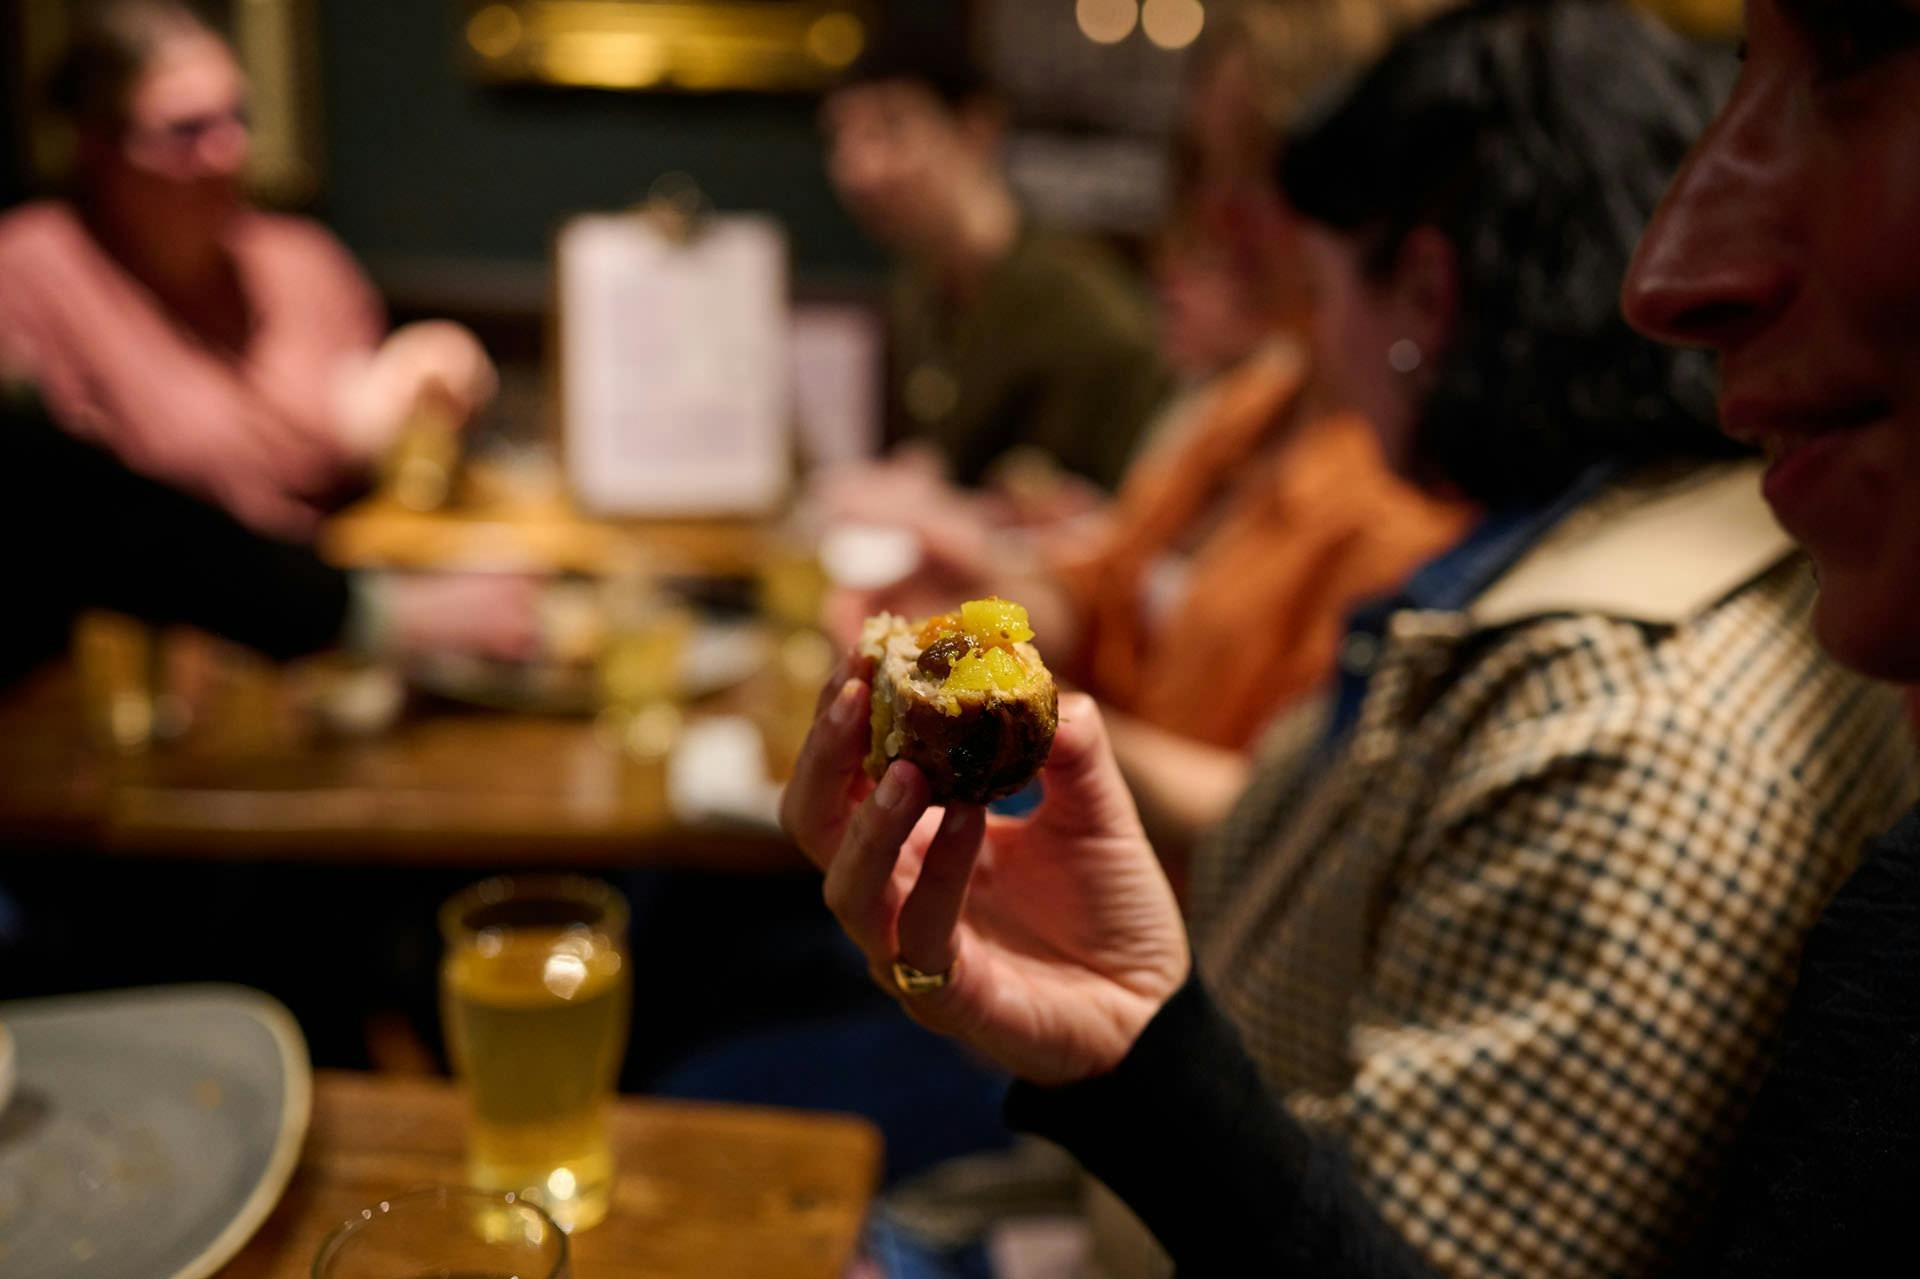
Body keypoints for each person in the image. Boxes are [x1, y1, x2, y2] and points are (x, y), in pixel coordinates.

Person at [781, 4, 1920, 1277]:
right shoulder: (1542, 562)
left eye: (1854, 65)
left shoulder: (1634, 705)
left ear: (1425, 291)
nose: (1670, 278)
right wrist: (1138, 1050)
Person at [0, 0, 495, 539]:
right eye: (187, 130)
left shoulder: (303, 258)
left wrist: (424, 382)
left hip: (331, 588)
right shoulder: (29, 271)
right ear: (97, 147)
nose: (228, 153)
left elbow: (370, 446)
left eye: (238, 119)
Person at [0, 376, 539, 689]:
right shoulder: (30, 263)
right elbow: (88, 511)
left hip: (291, 617)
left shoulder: (300, 258)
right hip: (194, 652)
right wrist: (384, 610)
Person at [820, 25, 1169, 494]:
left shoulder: (1083, 308)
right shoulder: (918, 290)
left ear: (976, 128)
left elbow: (1105, 506)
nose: (858, 169)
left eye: (890, 127)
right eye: (841, 137)